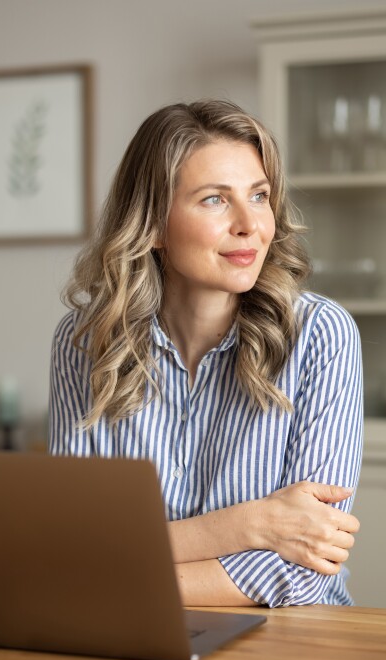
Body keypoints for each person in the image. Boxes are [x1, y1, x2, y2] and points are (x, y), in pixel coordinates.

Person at [48, 99, 363, 608]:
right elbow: (72, 544)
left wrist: (111, 577)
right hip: (126, 636)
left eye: (259, 197)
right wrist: (251, 523)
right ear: (151, 225)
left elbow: (307, 569)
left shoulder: (322, 334)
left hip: (286, 646)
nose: (250, 225)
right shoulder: (85, 343)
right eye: (215, 200)